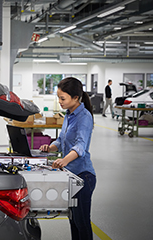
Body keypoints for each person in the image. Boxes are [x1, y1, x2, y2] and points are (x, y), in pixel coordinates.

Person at [40, 77, 96, 240]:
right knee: (73, 221)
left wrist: (65, 160)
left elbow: (80, 147)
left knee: (82, 222)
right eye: (58, 98)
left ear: (76, 98)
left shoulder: (84, 117)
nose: (60, 102)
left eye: (62, 98)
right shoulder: (68, 114)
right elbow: (61, 139)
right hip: (70, 175)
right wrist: (50, 147)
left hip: (83, 176)